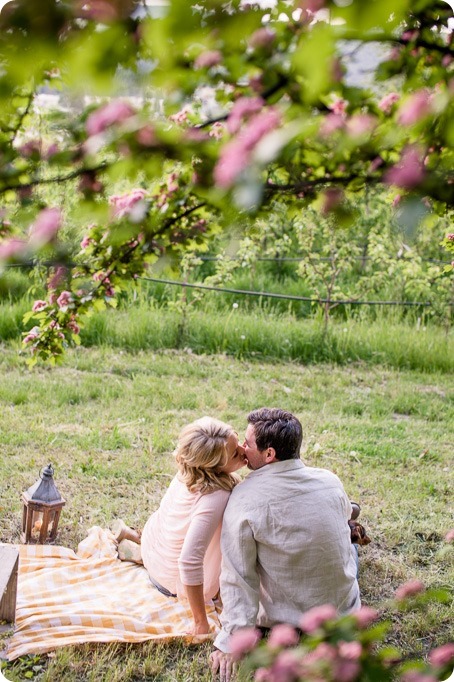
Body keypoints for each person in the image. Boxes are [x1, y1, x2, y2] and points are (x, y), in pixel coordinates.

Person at [210, 408, 360, 681]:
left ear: (269, 455)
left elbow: (238, 576)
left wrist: (232, 639)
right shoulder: (330, 479)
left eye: (248, 443)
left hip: (285, 617)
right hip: (341, 607)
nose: (243, 448)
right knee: (348, 542)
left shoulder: (243, 499)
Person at [113, 416, 246, 636]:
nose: (243, 451)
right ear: (213, 467)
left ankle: (136, 544)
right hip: (173, 583)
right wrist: (200, 622)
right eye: (234, 453)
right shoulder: (215, 496)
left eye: (239, 442)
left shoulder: (191, 471)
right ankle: (135, 546)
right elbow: (188, 561)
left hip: (154, 549)